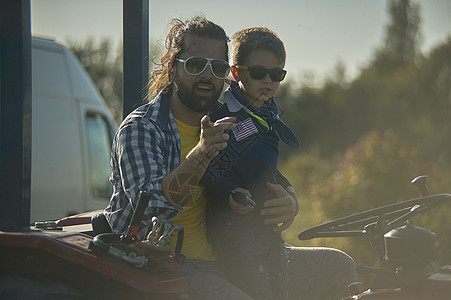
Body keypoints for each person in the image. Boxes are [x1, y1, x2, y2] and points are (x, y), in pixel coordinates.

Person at [104, 16, 357, 300]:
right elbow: (151, 210)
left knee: (338, 267)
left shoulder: (231, 118)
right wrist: (201, 153)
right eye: (196, 65)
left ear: (229, 73)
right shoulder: (143, 128)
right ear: (173, 67)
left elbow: (258, 167)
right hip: (167, 265)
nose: (207, 76)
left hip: (236, 250)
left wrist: (289, 198)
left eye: (218, 68)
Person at [201, 27, 298, 300]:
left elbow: (267, 167)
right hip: (236, 228)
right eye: (258, 72)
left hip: (267, 226)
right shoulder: (229, 118)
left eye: (276, 74)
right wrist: (230, 192)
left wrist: (288, 191)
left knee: (282, 290)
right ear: (236, 73)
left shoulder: (267, 113)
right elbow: (210, 167)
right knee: (256, 292)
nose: (267, 80)